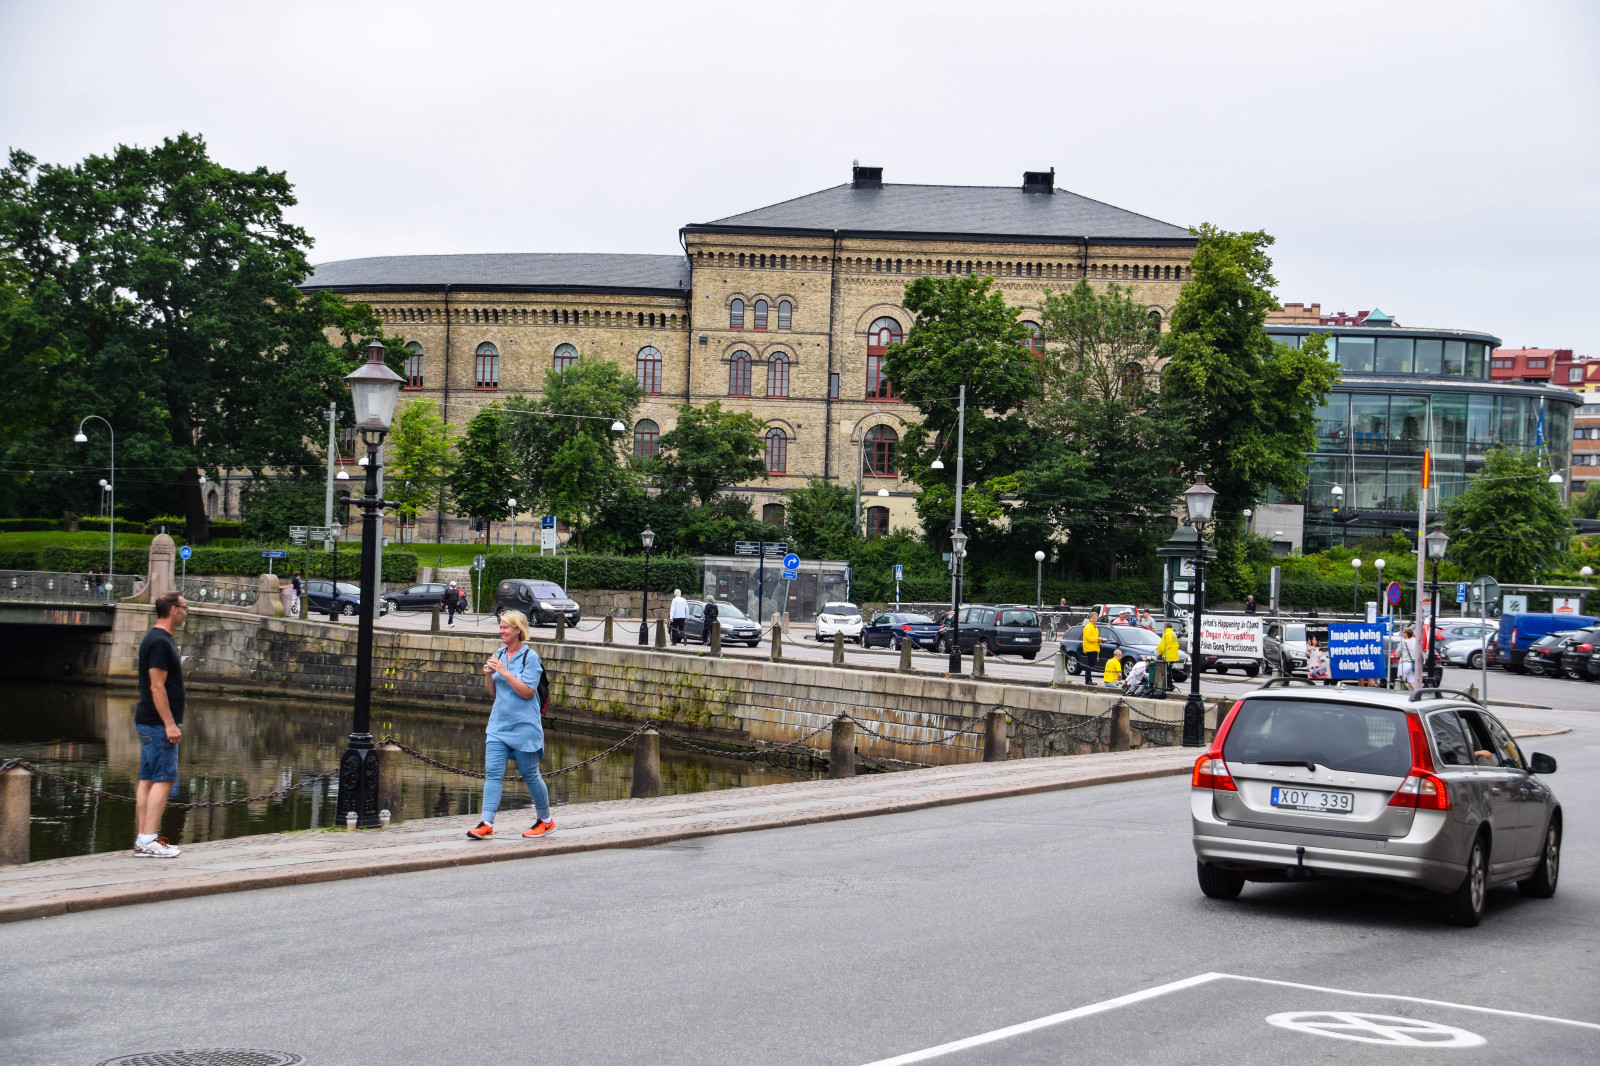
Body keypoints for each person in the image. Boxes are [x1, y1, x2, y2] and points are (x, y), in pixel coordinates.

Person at [467, 609, 553, 839]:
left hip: (525, 727)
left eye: (505, 627)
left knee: (530, 774)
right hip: (498, 726)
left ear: (517, 630)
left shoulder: (530, 657)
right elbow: (492, 691)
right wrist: (488, 675)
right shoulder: (499, 653)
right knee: (493, 774)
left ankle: (545, 820)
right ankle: (486, 823)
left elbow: (527, 692)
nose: (501, 631)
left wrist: (504, 672)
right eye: (500, 626)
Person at [134, 592, 188, 858]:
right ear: (173, 610)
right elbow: (157, 686)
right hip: (157, 724)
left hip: (149, 721)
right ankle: (148, 839)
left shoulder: (156, 639)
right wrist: (170, 724)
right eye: (185, 608)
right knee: (164, 779)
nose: (187, 613)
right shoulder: (159, 642)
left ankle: (143, 839)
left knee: (147, 779)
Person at [1156, 623, 1181, 690]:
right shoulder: (1173, 633)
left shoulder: (1166, 634)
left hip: (1167, 655)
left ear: (1166, 627)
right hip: (1173, 655)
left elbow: (1162, 645)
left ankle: (1167, 685)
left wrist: (1159, 652)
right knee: (1169, 670)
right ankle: (1170, 685)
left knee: (1166, 671)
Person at [1080, 614, 1101, 684]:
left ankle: (1089, 680)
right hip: (1090, 649)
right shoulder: (1088, 627)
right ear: (1090, 618)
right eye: (1094, 618)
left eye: (1096, 618)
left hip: (1094, 648)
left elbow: (1094, 638)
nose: (1095, 619)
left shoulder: (1095, 627)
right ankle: (1088, 680)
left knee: (1090, 665)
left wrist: (1100, 641)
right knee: (1089, 665)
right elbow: (1088, 638)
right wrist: (1097, 639)